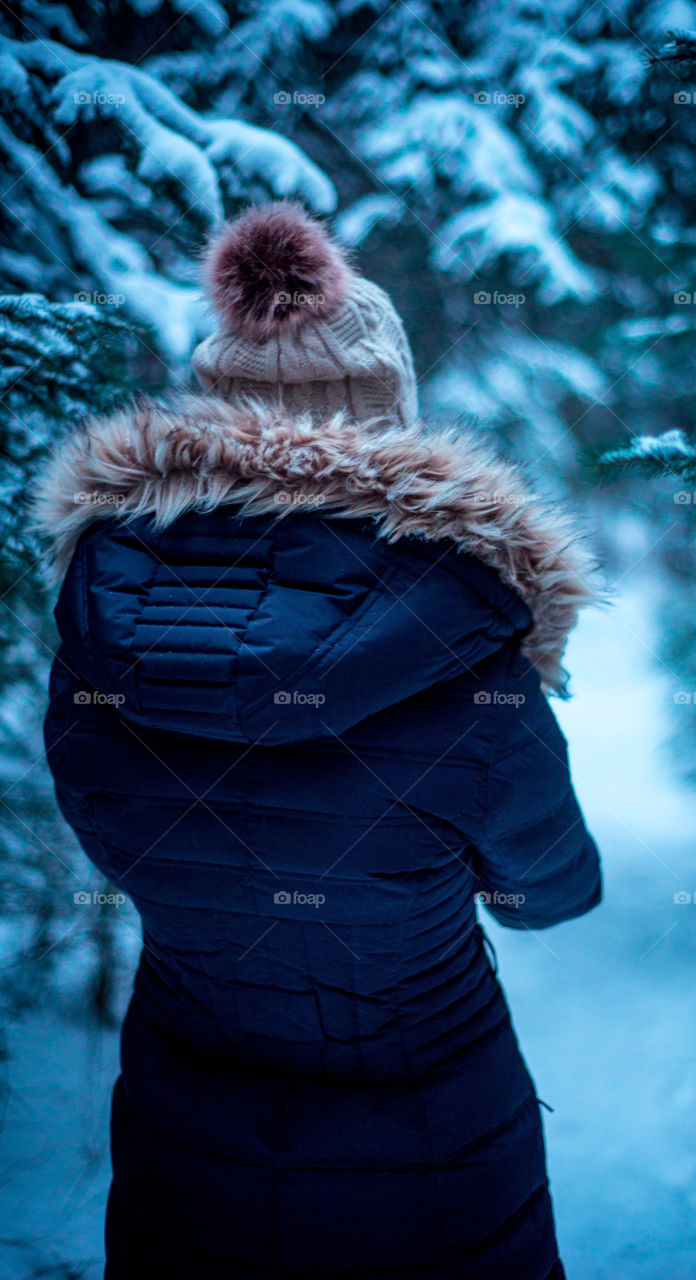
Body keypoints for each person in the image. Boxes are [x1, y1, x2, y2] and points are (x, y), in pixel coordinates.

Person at [36, 200, 603, 1279]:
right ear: (390, 414)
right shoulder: (469, 637)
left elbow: (112, 830)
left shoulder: (98, 617)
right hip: (432, 1130)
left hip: (184, 1122)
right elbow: (551, 893)